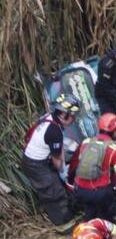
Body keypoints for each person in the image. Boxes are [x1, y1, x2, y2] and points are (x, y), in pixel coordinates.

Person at [21, 93, 80, 231]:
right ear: (65, 114)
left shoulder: (49, 118)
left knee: (53, 185)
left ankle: (56, 208)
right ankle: (64, 225)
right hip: (35, 165)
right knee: (54, 191)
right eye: (73, 116)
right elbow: (57, 160)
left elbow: (58, 151)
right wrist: (63, 172)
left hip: (36, 159)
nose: (74, 119)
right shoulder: (54, 131)